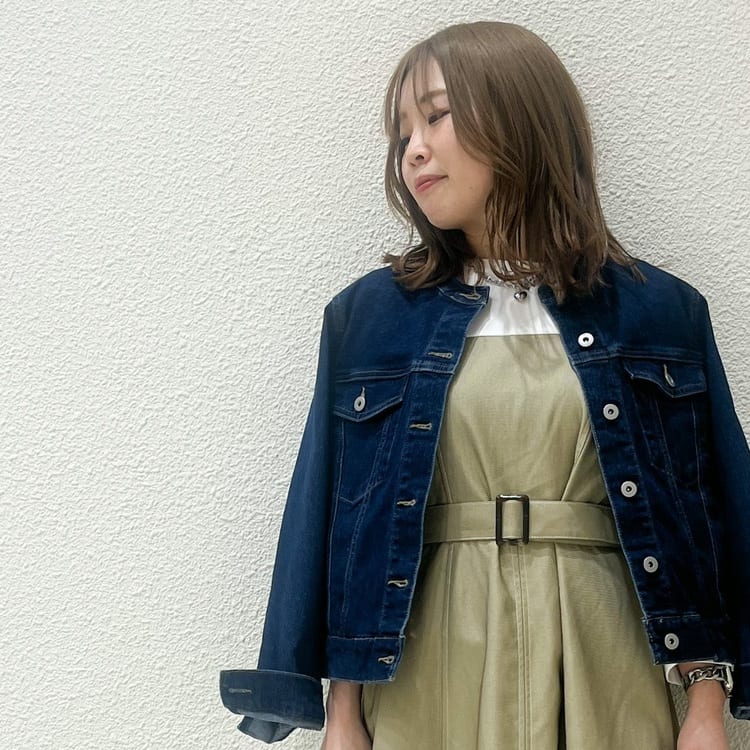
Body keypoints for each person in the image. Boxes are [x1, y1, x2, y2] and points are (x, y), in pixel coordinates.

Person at [220, 21, 749, 749]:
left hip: (607, 660)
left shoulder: (659, 313)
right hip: (429, 665)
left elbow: (705, 516)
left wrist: (705, 705)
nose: (413, 149)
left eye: (436, 116)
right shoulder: (369, 319)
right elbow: (339, 527)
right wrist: (342, 716)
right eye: (401, 132)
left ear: (519, 119)